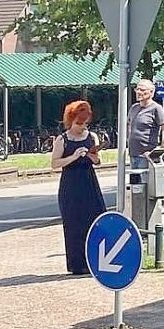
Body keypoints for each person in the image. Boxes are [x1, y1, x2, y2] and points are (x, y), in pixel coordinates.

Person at [51, 101, 106, 275]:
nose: (82, 127)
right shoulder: (63, 139)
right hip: (70, 184)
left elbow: (99, 162)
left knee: (94, 220)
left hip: (88, 181)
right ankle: (77, 264)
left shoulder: (92, 137)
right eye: (78, 123)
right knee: (74, 223)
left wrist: (93, 156)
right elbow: (54, 163)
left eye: (85, 123)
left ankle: (96, 260)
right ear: (71, 120)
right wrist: (74, 157)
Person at [128, 79, 164, 169]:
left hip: (147, 156)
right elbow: (129, 125)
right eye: (137, 89)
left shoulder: (156, 108)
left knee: (147, 182)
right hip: (133, 155)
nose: (138, 92)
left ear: (151, 92)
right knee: (135, 182)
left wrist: (161, 149)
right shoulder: (134, 108)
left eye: (142, 90)